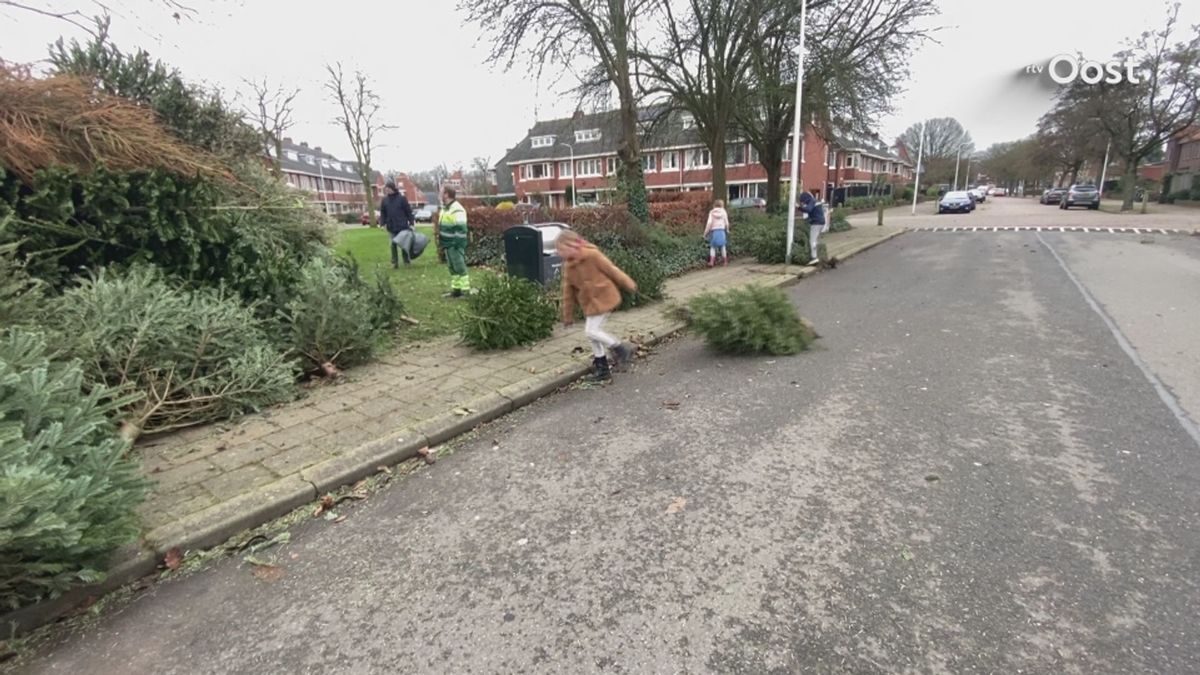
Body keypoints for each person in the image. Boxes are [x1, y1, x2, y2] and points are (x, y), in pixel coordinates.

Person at [557, 230, 637, 382]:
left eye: (562, 249)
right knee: (593, 336)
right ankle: (603, 368)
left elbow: (611, 269)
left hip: (605, 298)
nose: (560, 253)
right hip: (590, 304)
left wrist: (628, 283)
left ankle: (620, 347)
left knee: (591, 331)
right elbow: (568, 292)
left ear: (572, 245)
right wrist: (567, 316)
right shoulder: (568, 267)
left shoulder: (592, 255)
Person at [437, 187, 470, 298]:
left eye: (441, 192)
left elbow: (461, 228)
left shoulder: (457, 209)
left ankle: (466, 291)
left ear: (446, 194)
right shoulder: (445, 208)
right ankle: (456, 290)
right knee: (452, 267)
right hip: (447, 243)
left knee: (459, 266)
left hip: (455, 244)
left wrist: (457, 244)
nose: (439, 194)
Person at [379, 178, 415, 268]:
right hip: (391, 226)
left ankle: (406, 261)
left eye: (388, 188)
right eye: (386, 189)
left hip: (402, 226)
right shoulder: (385, 200)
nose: (387, 190)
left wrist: (411, 223)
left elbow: (408, 211)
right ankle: (394, 263)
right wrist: (382, 223)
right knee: (392, 244)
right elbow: (383, 212)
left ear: (392, 188)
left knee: (403, 244)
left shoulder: (402, 199)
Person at [798, 190, 826, 265]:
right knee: (815, 239)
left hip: (816, 223)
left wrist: (799, 207)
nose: (803, 203)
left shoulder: (811, 201)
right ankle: (818, 255)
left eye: (803, 202)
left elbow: (808, 210)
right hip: (821, 222)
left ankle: (814, 257)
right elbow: (813, 212)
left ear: (805, 199)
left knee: (812, 240)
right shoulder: (815, 201)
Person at [703, 199, 730, 267]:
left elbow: (709, 223)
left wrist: (705, 233)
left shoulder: (711, 212)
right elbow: (726, 223)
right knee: (723, 247)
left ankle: (711, 262)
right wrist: (727, 230)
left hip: (714, 232)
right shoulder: (724, 212)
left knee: (713, 247)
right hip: (721, 231)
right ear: (722, 205)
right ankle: (725, 262)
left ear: (714, 205)